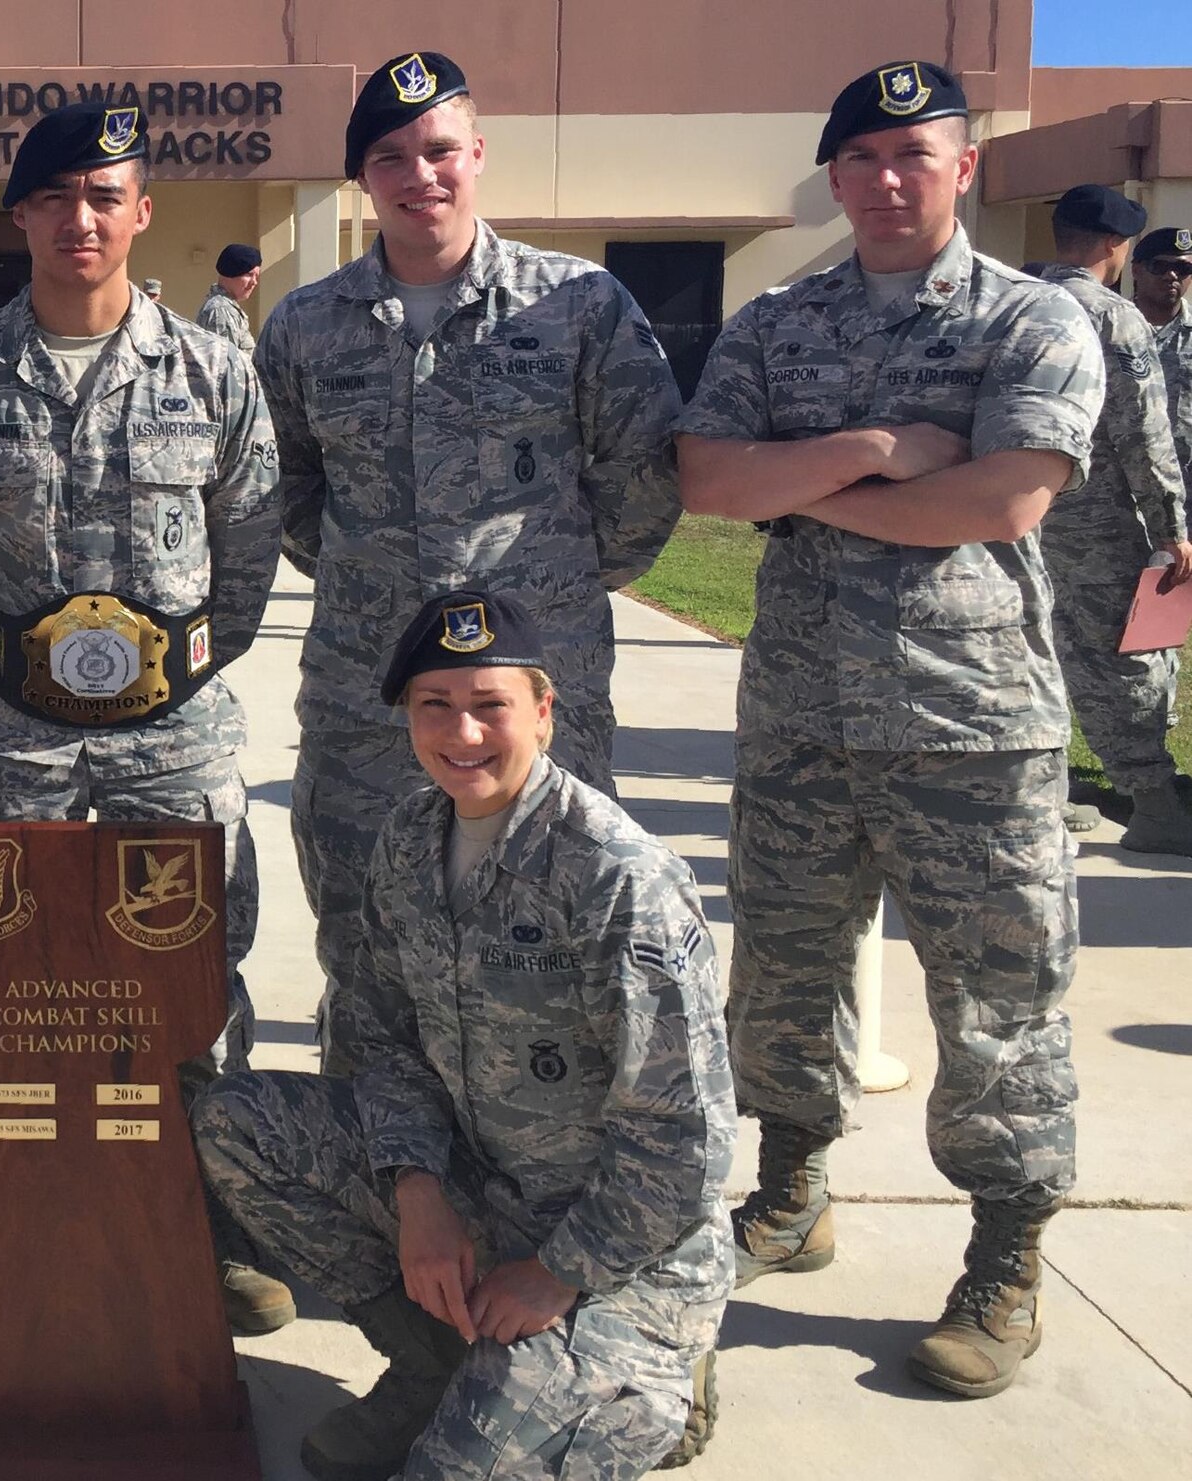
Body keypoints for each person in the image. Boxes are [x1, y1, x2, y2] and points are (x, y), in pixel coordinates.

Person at [676, 60, 1102, 1399]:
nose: (886, 179)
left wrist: (801, 491)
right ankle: (792, 1193)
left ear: (965, 166)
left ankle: (1007, 1252)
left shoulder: (1034, 322)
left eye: (915, 155)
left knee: (999, 1004)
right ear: (837, 176)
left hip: (972, 725)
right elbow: (704, 478)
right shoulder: (776, 321)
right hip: (802, 713)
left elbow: (1004, 503)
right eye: (860, 159)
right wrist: (873, 447)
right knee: (786, 978)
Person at [0, 100, 291, 1332]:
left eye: (104, 195)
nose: (80, 218)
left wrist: (181, 665)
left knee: (194, 963)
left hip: (173, 728)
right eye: (56, 196)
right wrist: (11, 664)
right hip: (12, 724)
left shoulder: (212, 366)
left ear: (141, 212)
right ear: (21, 213)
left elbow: (253, 535)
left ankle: (209, 1200)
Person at [195, 589, 734, 1481]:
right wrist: (418, 1191)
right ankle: (439, 1364)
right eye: (435, 706)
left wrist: (558, 1272)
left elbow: (686, 1144)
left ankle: (655, 1383)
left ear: (545, 711)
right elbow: (383, 1036)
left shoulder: (616, 877)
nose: (465, 733)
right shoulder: (411, 838)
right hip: (482, 1189)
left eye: (492, 705)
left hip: (616, 1257)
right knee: (238, 1123)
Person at [254, 51, 682, 1071]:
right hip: (370, 693)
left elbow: (640, 481)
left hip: (536, 689)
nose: (420, 176)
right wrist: (378, 589)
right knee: (363, 939)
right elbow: (288, 495)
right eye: (392, 156)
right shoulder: (306, 326)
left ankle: (543, 1177)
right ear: (364, 176)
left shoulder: (577, 305)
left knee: (558, 927)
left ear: (477, 155)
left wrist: (549, 594)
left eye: (440, 150)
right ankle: (382, 1173)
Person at [1036, 186, 1192, 853]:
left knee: (1034, 653)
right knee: (1125, 659)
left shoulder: (1014, 300)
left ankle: (1044, 789)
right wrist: (1170, 526)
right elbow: (1143, 434)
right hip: (1099, 521)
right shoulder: (1112, 317)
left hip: (1014, 517)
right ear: (1115, 246)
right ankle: (1154, 805)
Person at [1131, 226, 1192, 484]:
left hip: (1185, 485)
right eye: (1160, 266)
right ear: (1136, 270)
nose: (1172, 276)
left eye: (1183, 269)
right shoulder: (1107, 329)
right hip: (1116, 491)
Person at [197, 244, 261, 352]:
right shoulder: (221, 310)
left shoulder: (224, 306)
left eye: (256, 276)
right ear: (231, 273)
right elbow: (225, 364)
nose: (254, 282)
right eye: (249, 275)